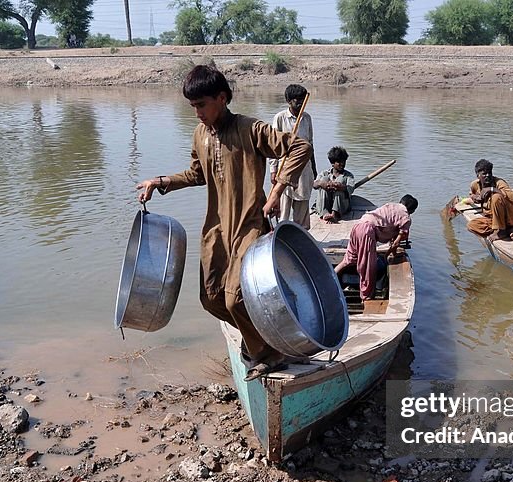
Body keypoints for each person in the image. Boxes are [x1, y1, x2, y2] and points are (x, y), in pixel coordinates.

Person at [135, 65, 313, 382]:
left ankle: (269, 354)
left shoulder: (250, 129)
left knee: (235, 297)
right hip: (216, 229)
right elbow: (196, 174)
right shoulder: (200, 135)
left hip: (249, 226)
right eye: (192, 107)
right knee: (211, 298)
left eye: (201, 105)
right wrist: (160, 181)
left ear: (222, 98)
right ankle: (260, 340)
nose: (197, 113)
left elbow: (300, 147)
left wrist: (279, 189)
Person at [334, 195, 418, 301]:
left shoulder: (391, 206)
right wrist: (387, 255)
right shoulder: (406, 217)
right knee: (368, 267)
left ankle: (331, 277)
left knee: (348, 259)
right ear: (412, 210)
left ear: (401, 202)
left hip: (358, 226)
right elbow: (396, 243)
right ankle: (367, 296)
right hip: (367, 232)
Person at [269, 84, 317, 228]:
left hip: (303, 170)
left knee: (302, 209)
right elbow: (273, 147)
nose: (301, 103)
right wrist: (273, 170)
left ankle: (301, 239)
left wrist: (313, 169)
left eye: (303, 100)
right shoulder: (280, 118)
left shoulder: (307, 118)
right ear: (289, 101)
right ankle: (281, 237)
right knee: (283, 210)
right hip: (285, 169)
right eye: (297, 100)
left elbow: (310, 144)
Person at [468, 159, 513, 242]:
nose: (487, 175)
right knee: (471, 225)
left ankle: (501, 231)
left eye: (489, 173)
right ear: (478, 175)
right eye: (484, 174)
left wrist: (492, 189)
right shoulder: (474, 185)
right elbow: (472, 195)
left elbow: (512, 196)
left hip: (509, 216)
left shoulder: (499, 182)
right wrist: (476, 198)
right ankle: (507, 229)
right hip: (493, 219)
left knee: (496, 198)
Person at [314, 146, 355, 223]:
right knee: (324, 180)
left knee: (340, 180)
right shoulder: (324, 173)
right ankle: (325, 213)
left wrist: (339, 186)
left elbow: (351, 189)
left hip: (342, 207)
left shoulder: (348, 175)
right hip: (325, 204)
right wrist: (322, 184)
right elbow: (314, 185)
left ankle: (334, 214)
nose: (342, 164)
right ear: (332, 163)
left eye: (344, 161)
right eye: (339, 162)